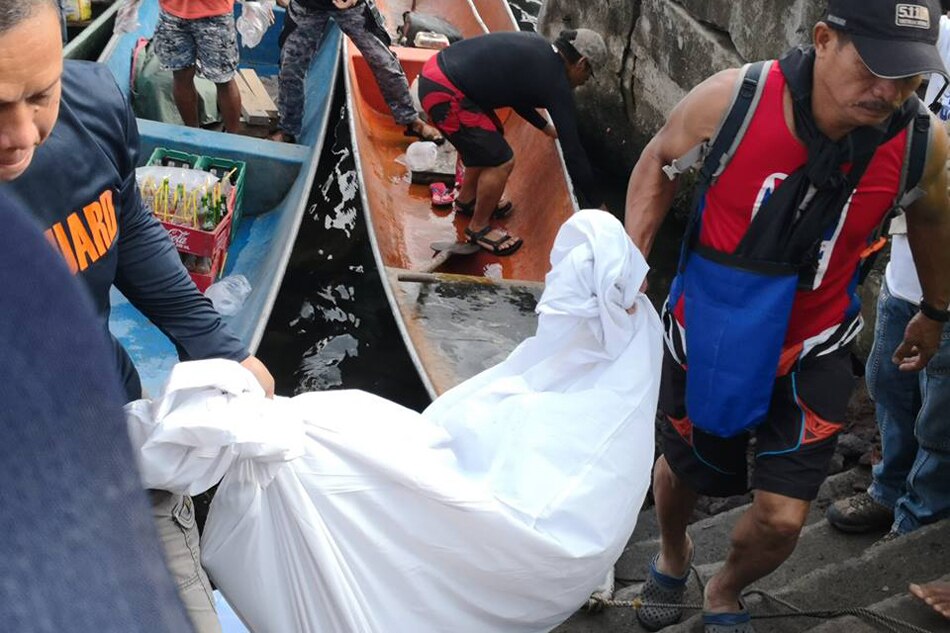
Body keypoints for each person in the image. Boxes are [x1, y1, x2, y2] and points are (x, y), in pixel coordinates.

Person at [624, 0, 950, 631]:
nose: (889, 92)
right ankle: (672, 554)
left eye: (908, 75)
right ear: (824, 39)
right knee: (685, 469)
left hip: (817, 341)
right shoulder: (733, 102)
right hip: (713, 328)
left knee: (782, 517)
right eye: (873, 67)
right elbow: (658, 162)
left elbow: (934, 216)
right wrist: (632, 260)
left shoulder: (920, 144)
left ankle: (723, 589)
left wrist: (935, 310)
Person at [0, 2, 274, 631]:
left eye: (40, 94)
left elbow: (124, 216)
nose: (22, 136)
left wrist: (215, 345)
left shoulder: (94, 106)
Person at [0, 192, 196, 633]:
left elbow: (133, 221)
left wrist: (212, 341)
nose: (22, 136)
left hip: (104, 439)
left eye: (36, 115)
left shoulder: (20, 248)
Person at [418, 28, 607, 256]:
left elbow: (516, 96)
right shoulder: (556, 81)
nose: (585, 81)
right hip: (445, 92)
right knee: (501, 159)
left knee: (490, 137)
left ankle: (467, 200)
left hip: (436, 73)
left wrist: (545, 127)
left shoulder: (539, 50)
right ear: (581, 63)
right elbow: (573, 152)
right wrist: (599, 207)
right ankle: (477, 227)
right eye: (589, 74)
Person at [269, 0, 441, 145]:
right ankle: (287, 128)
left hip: (352, 8)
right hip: (308, 7)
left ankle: (410, 119)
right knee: (290, 66)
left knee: (383, 61)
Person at [152, 0, 243, 132]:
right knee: (180, 75)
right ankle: (192, 134)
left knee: (224, 79)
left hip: (215, 15)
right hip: (171, 14)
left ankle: (234, 139)